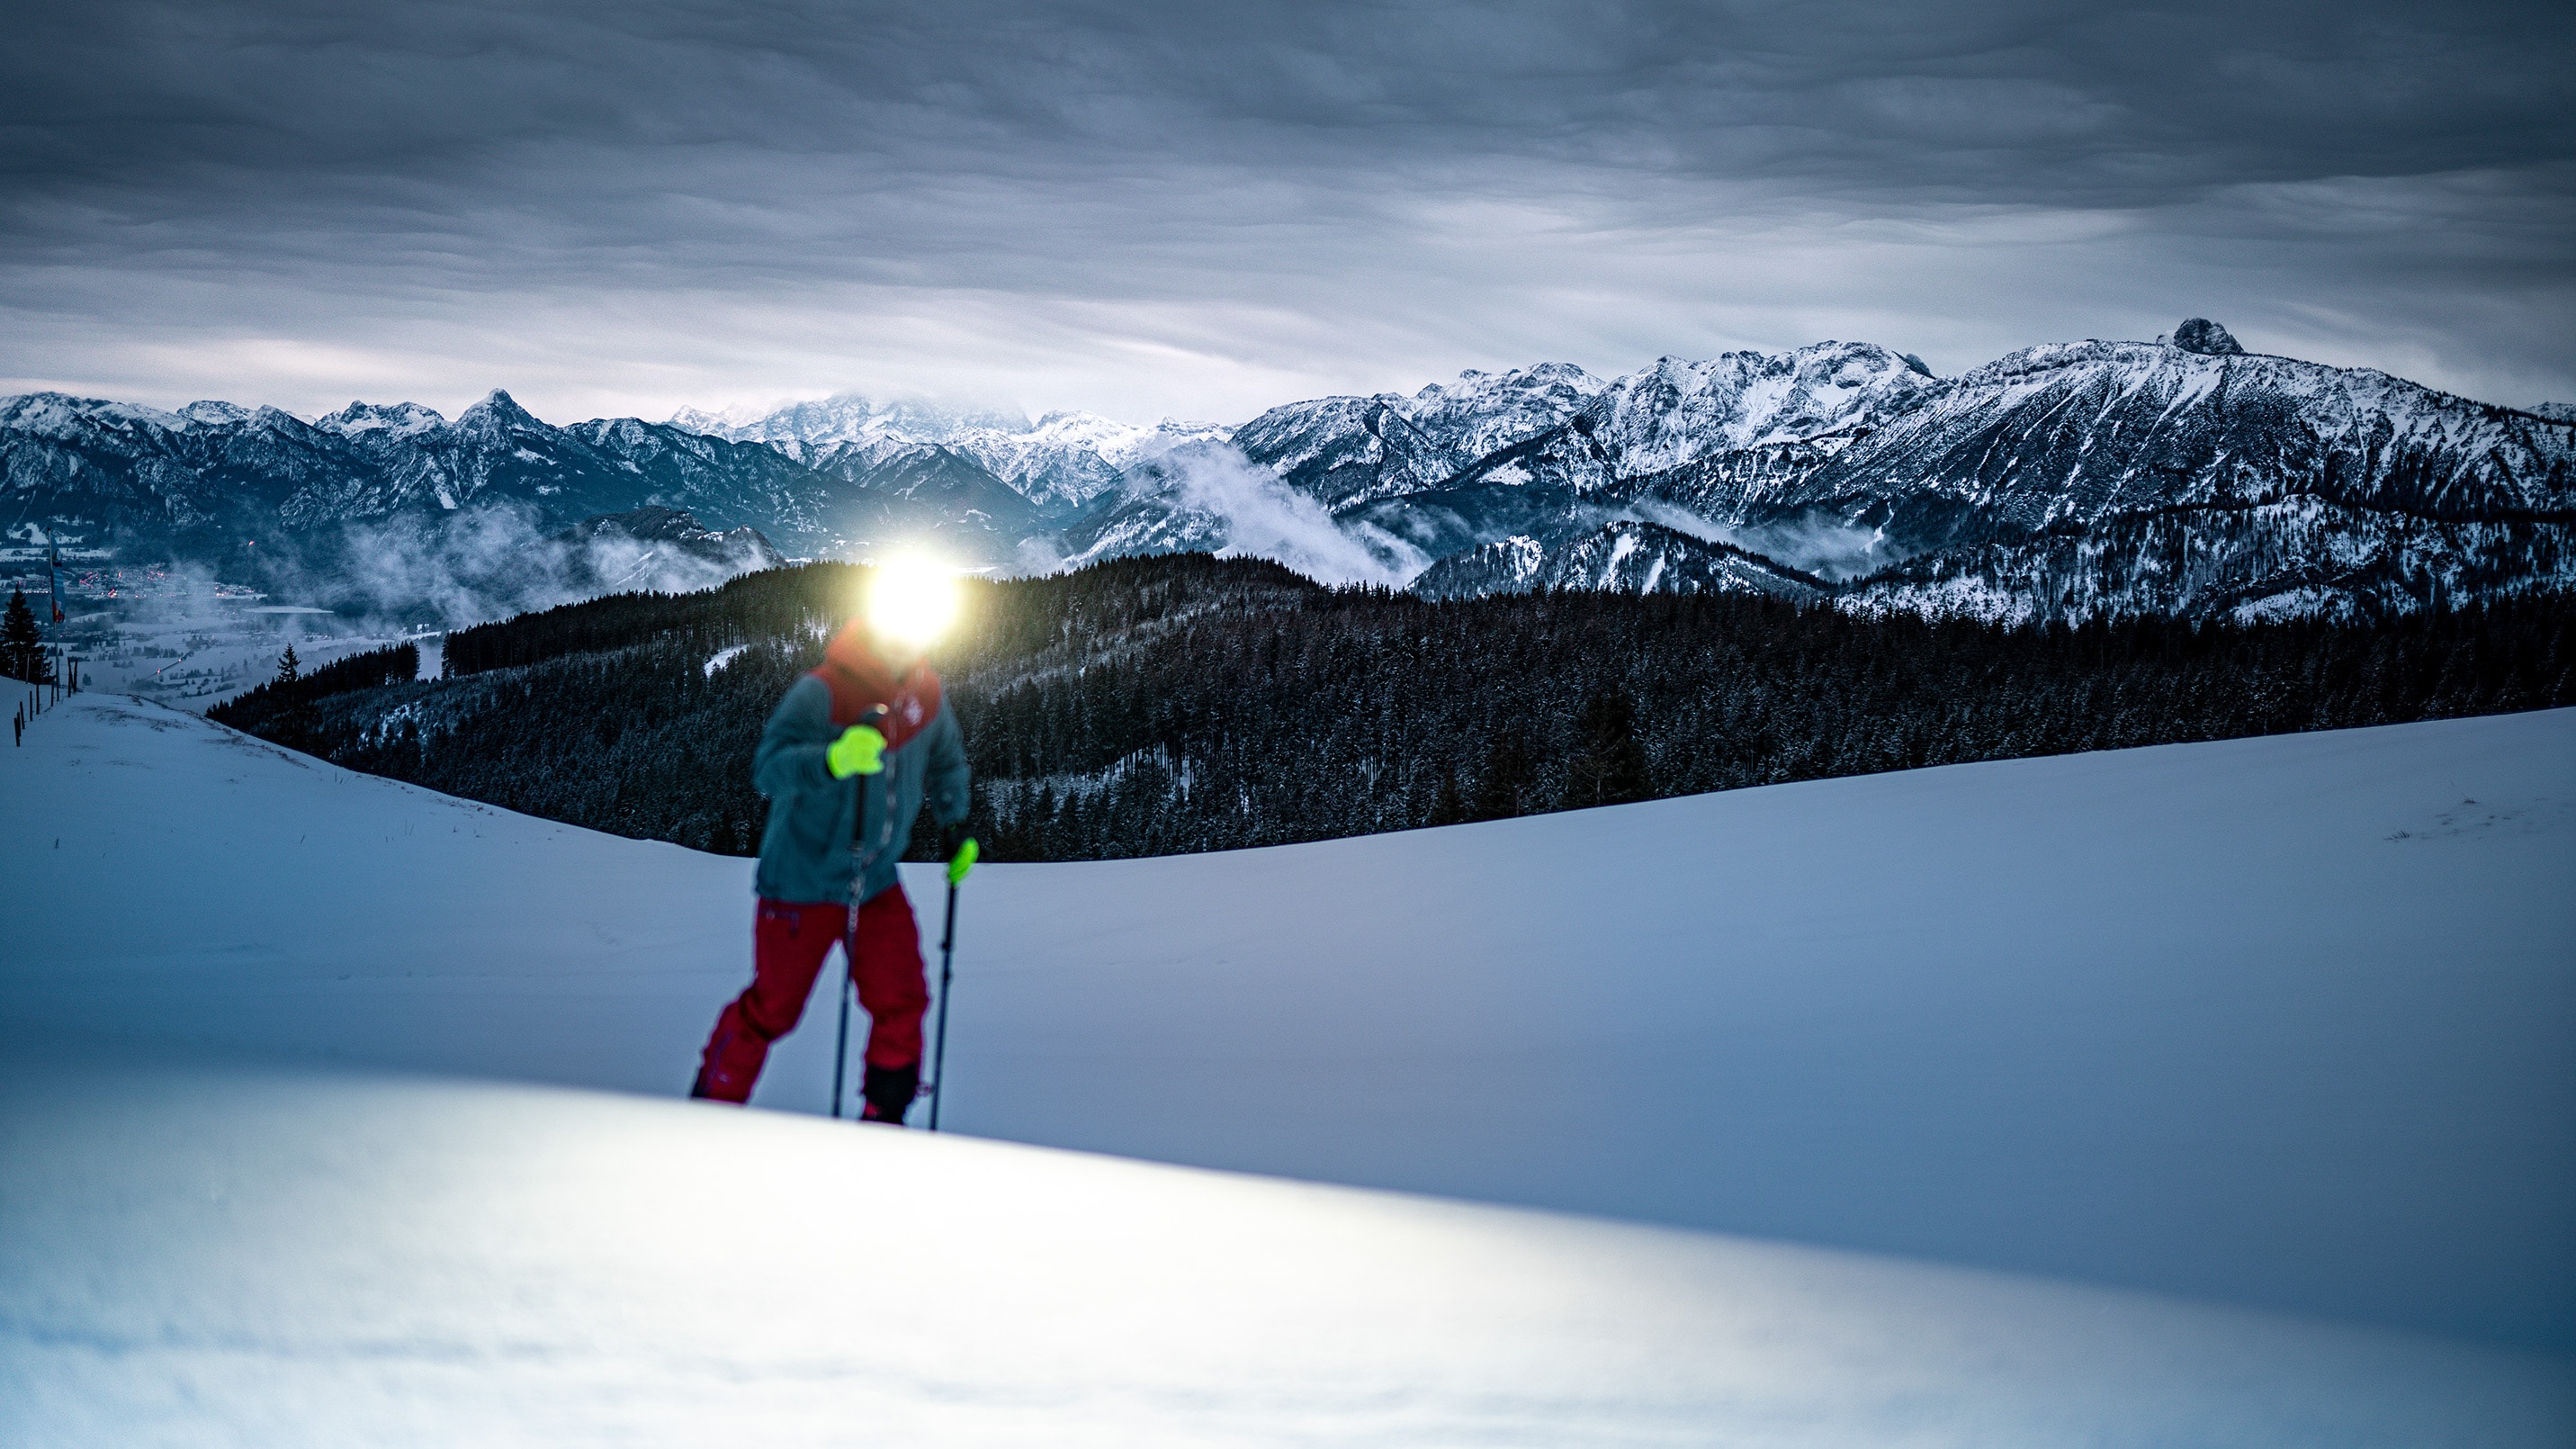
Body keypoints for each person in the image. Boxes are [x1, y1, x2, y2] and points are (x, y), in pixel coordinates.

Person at [691, 594, 976, 1122]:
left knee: (902, 999)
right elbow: (768, 769)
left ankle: (882, 1124)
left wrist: (956, 825)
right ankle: (709, 1112)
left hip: (874, 880)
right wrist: (832, 758)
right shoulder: (824, 690)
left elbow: (947, 758)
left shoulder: (926, 695)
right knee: (774, 1010)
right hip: (800, 882)